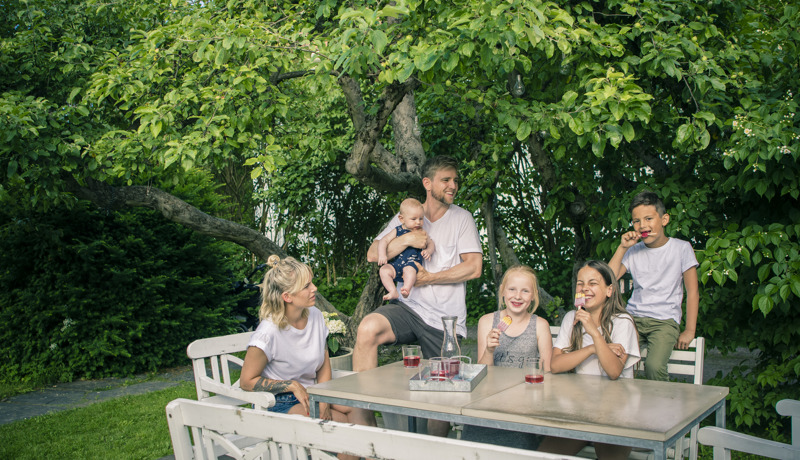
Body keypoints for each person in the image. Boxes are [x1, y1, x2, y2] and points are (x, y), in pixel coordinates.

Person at [356, 155, 483, 437]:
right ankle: (365, 430)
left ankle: (431, 449)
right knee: (367, 329)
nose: (453, 185)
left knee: (442, 397)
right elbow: (371, 253)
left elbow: (474, 268)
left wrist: (429, 278)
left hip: (444, 320)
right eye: (446, 180)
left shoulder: (462, 219)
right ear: (428, 183)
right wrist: (405, 240)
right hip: (408, 307)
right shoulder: (407, 214)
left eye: (456, 180)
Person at [240, 256, 367, 443]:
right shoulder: (268, 333)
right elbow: (246, 381)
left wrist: (323, 399)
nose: (314, 288)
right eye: (306, 286)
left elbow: (323, 364)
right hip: (278, 403)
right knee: (347, 430)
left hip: (312, 394)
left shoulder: (315, 316)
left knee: (360, 412)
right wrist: (291, 385)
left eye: (311, 282)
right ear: (287, 297)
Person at [538, 260, 640, 460]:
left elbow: (614, 372)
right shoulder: (571, 318)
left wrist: (594, 332)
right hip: (578, 409)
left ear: (609, 290)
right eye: (580, 283)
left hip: (616, 412)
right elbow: (555, 365)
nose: (585, 288)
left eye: (593, 283)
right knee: (541, 456)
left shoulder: (622, 322)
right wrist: (593, 349)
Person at [608, 190, 699, 381]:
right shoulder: (633, 251)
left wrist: (689, 330)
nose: (643, 226)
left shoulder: (681, 248)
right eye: (637, 221)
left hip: (665, 321)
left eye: (649, 218)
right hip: (633, 319)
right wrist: (623, 247)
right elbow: (608, 278)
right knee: (613, 360)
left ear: (664, 219)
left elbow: (692, 291)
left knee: (654, 366)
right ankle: (619, 406)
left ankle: (661, 410)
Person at [462, 265, 553, 449]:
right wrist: (488, 351)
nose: (517, 296)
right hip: (488, 401)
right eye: (512, 289)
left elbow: (548, 373)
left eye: (525, 291)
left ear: (533, 295)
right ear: (502, 291)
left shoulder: (540, 325)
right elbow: (481, 375)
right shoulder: (487, 322)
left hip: (524, 405)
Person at [377, 197, 435, 300]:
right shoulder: (397, 230)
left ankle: (406, 289)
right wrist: (382, 254)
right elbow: (383, 241)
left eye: (421, 219)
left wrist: (428, 251)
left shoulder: (422, 232)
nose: (418, 222)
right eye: (413, 219)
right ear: (401, 219)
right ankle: (393, 291)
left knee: (410, 270)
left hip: (411, 263)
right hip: (395, 265)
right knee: (383, 270)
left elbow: (431, 243)